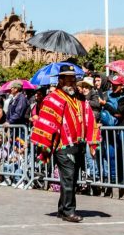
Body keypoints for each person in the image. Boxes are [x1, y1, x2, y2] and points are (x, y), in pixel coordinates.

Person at [31, 64, 99, 222]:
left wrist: (92, 141)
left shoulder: (80, 98)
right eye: (67, 80)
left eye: (72, 79)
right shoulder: (53, 99)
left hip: (78, 145)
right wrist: (45, 146)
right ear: (60, 81)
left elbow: (89, 118)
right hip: (63, 145)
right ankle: (69, 211)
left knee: (72, 178)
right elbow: (47, 122)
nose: (70, 83)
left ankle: (62, 208)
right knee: (68, 177)